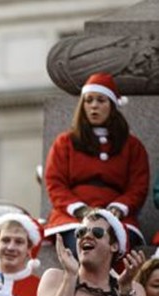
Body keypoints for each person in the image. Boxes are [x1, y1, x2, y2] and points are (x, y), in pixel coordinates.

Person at [44, 72, 150, 253]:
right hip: (72, 217)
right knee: (80, 244)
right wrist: (79, 209)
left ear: (112, 105)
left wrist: (119, 208)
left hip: (117, 216)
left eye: (101, 100)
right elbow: (54, 182)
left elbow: (138, 185)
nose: (94, 106)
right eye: (89, 100)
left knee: (117, 246)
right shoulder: (65, 142)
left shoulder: (132, 146)